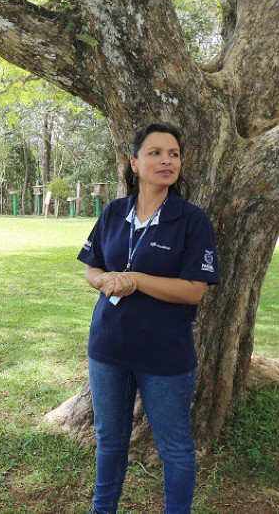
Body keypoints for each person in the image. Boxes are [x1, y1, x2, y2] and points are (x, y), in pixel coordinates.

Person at [77, 123, 220, 514]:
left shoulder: (192, 221)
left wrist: (136, 280)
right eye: (155, 152)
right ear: (134, 162)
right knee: (109, 439)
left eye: (173, 153)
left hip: (165, 355)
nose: (166, 160)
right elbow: (92, 268)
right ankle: (101, 510)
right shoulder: (113, 212)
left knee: (174, 448)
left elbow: (193, 289)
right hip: (108, 347)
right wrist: (105, 279)